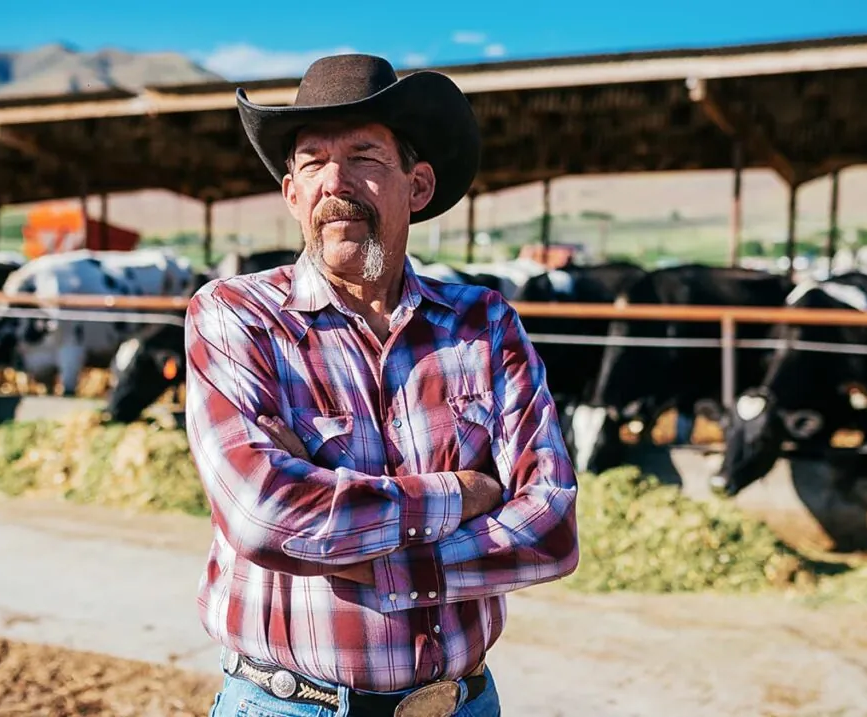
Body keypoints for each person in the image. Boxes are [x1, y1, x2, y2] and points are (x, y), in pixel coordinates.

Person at [184, 53, 580, 717]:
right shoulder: (237, 316)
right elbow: (262, 516)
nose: (335, 182)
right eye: (312, 162)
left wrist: (366, 557)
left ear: (417, 186)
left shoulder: (483, 324)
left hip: (459, 703)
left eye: (363, 157)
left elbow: (552, 528)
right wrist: (467, 493)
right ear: (292, 195)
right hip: (292, 706)